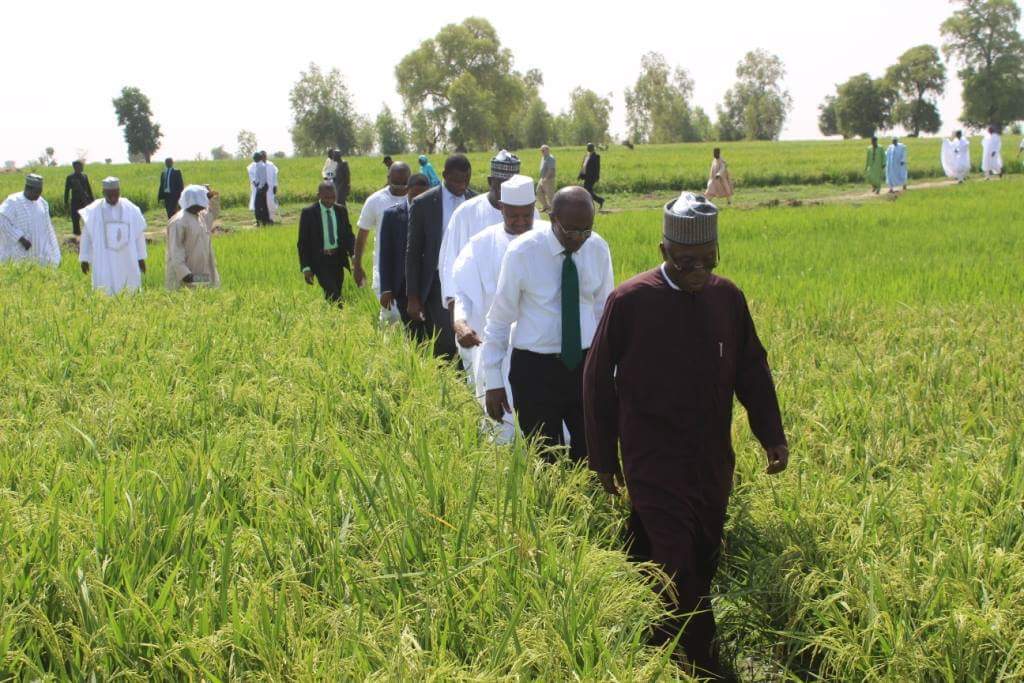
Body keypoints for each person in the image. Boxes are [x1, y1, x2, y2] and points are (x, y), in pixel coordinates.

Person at [583, 192, 788, 678]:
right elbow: (595, 382)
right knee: (675, 558)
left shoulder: (727, 298)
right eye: (687, 261)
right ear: (664, 252)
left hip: (712, 458)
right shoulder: (630, 301)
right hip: (651, 457)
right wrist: (603, 460)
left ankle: (655, 637)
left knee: (702, 552)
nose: (699, 271)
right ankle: (702, 662)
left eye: (708, 260)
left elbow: (751, 370)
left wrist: (770, 434)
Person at [482, 186, 614, 463]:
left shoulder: (598, 247)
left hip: (585, 365)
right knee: (545, 457)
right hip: (535, 371)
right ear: (553, 218)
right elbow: (499, 319)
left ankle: (588, 506)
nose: (578, 239)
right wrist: (493, 381)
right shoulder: (523, 252)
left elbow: (604, 313)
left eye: (585, 230)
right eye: (571, 231)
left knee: (591, 452)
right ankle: (552, 505)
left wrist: (609, 369)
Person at [452, 174, 540, 443]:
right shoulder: (481, 244)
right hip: (495, 351)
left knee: (543, 429)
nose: (521, 223)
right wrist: (461, 323)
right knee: (501, 427)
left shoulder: (549, 237)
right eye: (514, 216)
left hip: (540, 349)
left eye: (527, 215)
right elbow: (463, 293)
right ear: (501, 208)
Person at [406, 154, 476, 359]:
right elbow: (412, 251)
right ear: (444, 175)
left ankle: (469, 382)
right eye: (456, 180)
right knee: (445, 337)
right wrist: (413, 297)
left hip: (471, 280)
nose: (461, 185)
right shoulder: (424, 203)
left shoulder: (475, 200)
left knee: (471, 332)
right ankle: (445, 381)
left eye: (466, 180)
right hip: (438, 282)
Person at [354, 161, 412, 323]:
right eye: (396, 182)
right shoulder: (375, 201)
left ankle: (409, 347)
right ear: (388, 177)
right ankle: (387, 346)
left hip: (411, 270)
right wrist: (357, 266)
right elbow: (362, 235)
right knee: (391, 316)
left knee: (410, 318)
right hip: (384, 270)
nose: (401, 186)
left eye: (404, 182)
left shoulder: (418, 199)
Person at [378, 173, 430, 331]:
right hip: (402, 286)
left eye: (423, 196)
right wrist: (386, 288)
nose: (418, 200)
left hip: (428, 284)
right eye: (415, 195)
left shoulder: (434, 215)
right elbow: (385, 254)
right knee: (412, 330)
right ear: (407, 190)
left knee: (431, 329)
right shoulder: (392, 215)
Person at [78, 177, 147, 294]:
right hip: (104, 259)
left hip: (127, 259)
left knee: (130, 289)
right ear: (103, 193)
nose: (113, 198)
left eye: (116, 194)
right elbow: (86, 236)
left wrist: (141, 258)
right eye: (110, 195)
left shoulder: (131, 209)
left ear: (119, 191)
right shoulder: (94, 210)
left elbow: (139, 235)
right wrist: (85, 259)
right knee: (105, 288)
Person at [298, 182, 355, 303]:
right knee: (333, 293)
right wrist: (306, 267)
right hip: (320, 260)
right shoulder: (309, 213)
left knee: (335, 291)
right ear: (319, 195)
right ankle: (341, 314)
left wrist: (354, 256)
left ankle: (333, 317)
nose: (330, 201)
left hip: (338, 258)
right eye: (326, 198)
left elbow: (349, 236)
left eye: (333, 197)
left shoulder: (341, 211)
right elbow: (303, 242)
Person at [165, 184, 221, 290]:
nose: (205, 203)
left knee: (205, 299)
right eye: (203, 199)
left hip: (201, 274)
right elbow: (176, 253)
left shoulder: (201, 216)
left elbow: (214, 212)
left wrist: (211, 197)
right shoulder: (179, 222)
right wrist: (187, 276)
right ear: (195, 201)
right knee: (186, 303)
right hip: (185, 277)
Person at [0, 174, 61, 267]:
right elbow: (2, 221)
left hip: (38, 251)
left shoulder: (42, 203)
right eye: (36, 192)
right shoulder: (13, 201)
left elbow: (48, 226)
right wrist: (21, 238)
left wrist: (53, 248)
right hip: (18, 251)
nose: (38, 195)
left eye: (40, 192)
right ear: (27, 188)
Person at [63, 161, 94, 235]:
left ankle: (88, 234)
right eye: (78, 167)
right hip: (75, 201)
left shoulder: (84, 176)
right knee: (75, 219)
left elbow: (88, 188)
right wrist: (66, 202)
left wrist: (92, 200)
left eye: (81, 166)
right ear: (74, 168)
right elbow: (67, 190)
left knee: (87, 219)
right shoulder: (70, 177)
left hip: (85, 201)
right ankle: (77, 236)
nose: (81, 168)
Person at [578, 142, 604, 209]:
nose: (588, 148)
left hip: (592, 177)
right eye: (587, 147)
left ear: (592, 148)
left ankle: (591, 204)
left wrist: (597, 177)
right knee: (588, 191)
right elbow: (583, 166)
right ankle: (599, 201)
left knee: (587, 191)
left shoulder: (596, 156)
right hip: (586, 176)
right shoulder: (586, 156)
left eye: (589, 147)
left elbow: (597, 168)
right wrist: (580, 175)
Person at [247, 153, 271, 226]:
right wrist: (255, 181)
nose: (253, 159)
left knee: (257, 205)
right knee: (263, 205)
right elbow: (259, 177)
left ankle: (259, 222)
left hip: (261, 187)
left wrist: (259, 187)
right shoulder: (259, 165)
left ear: (258, 158)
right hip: (261, 186)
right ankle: (265, 221)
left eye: (254, 157)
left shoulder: (261, 166)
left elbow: (263, 179)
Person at [537, 144, 556, 213]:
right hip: (542, 178)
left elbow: (551, 170)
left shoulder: (550, 158)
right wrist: (542, 179)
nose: (542, 152)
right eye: (541, 150)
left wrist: (545, 179)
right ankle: (545, 206)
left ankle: (553, 210)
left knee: (550, 195)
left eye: (543, 150)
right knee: (539, 192)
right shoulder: (543, 157)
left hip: (549, 179)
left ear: (548, 150)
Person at [263, 151, 280, 222]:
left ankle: (271, 218)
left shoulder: (271, 165)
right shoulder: (257, 165)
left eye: (264, 156)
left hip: (270, 188)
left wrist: (275, 185)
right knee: (262, 204)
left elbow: (275, 175)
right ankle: (263, 219)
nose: (264, 157)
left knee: (271, 203)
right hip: (262, 189)